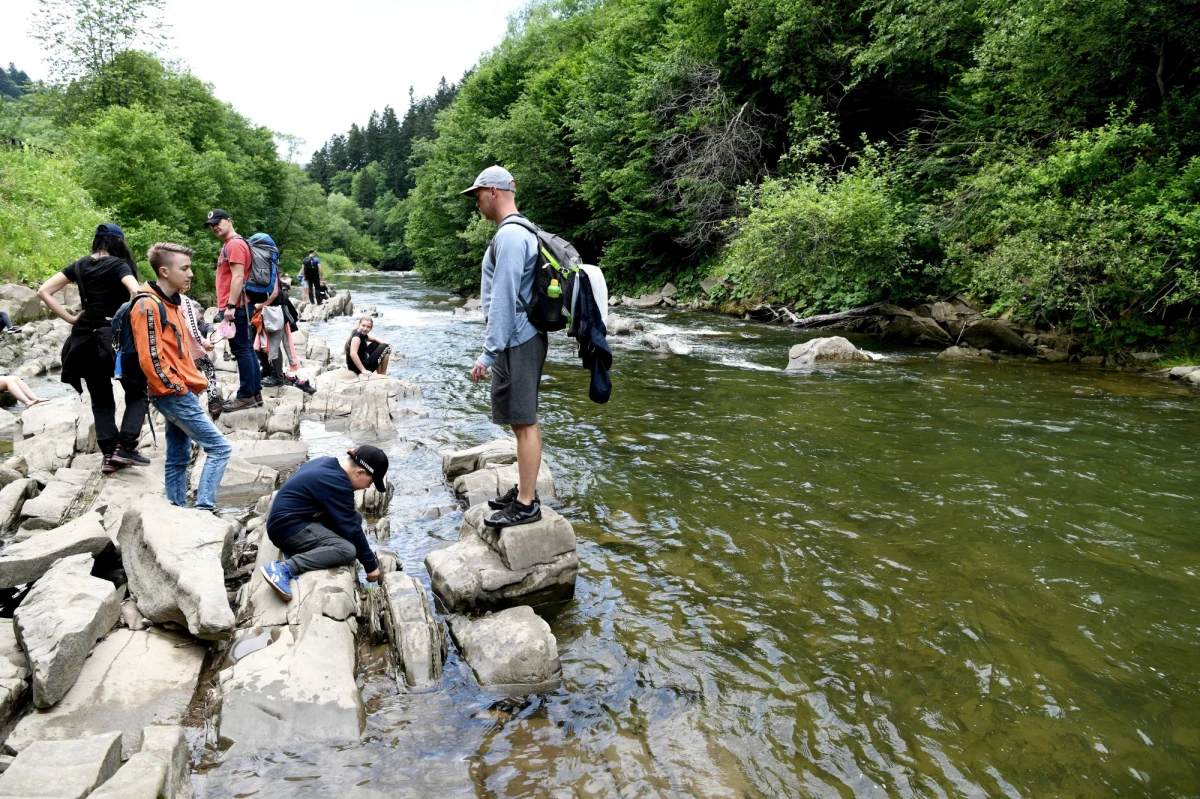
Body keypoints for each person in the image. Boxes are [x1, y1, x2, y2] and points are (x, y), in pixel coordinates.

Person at [462, 166, 547, 529]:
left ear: (493, 192)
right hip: (521, 336)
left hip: (518, 338)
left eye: (477, 195)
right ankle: (526, 491)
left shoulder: (511, 237)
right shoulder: (519, 230)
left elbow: (504, 299)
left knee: (525, 422)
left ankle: (527, 504)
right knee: (520, 421)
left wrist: (488, 352)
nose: (476, 203)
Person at [36, 222, 148, 474]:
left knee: (100, 398)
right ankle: (126, 447)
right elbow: (136, 291)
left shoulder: (79, 265)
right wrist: (122, 316)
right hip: (114, 338)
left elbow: (44, 291)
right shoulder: (119, 264)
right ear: (118, 242)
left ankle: (109, 454)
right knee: (137, 391)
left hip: (84, 337)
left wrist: (71, 319)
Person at [131, 242, 232, 511]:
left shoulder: (172, 302)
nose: (190, 274)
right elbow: (149, 358)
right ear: (164, 271)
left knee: (178, 456)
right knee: (220, 449)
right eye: (184, 269)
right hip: (173, 393)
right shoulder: (147, 305)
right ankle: (203, 510)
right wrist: (176, 388)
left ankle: (175, 508)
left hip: (180, 389)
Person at [260, 447, 387, 600]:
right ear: (359, 472)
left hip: (294, 519)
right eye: (371, 482)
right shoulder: (337, 483)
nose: (368, 487)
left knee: (356, 517)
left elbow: (350, 521)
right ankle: (282, 569)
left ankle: (303, 551)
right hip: (287, 529)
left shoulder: (327, 464)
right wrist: (371, 566)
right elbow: (352, 530)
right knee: (347, 551)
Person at [204, 209, 261, 412]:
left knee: (241, 350)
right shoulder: (231, 244)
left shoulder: (235, 244)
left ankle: (246, 395)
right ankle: (255, 393)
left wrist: (229, 306)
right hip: (237, 305)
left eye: (218, 222)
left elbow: (238, 277)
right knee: (245, 348)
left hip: (235, 306)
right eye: (211, 225)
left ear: (229, 221)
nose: (214, 227)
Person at [177, 293, 224, 418]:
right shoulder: (184, 301)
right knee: (209, 370)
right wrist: (204, 343)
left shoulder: (164, 299)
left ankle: (190, 407)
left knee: (188, 379)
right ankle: (213, 403)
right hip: (192, 350)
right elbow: (192, 327)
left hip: (175, 351)